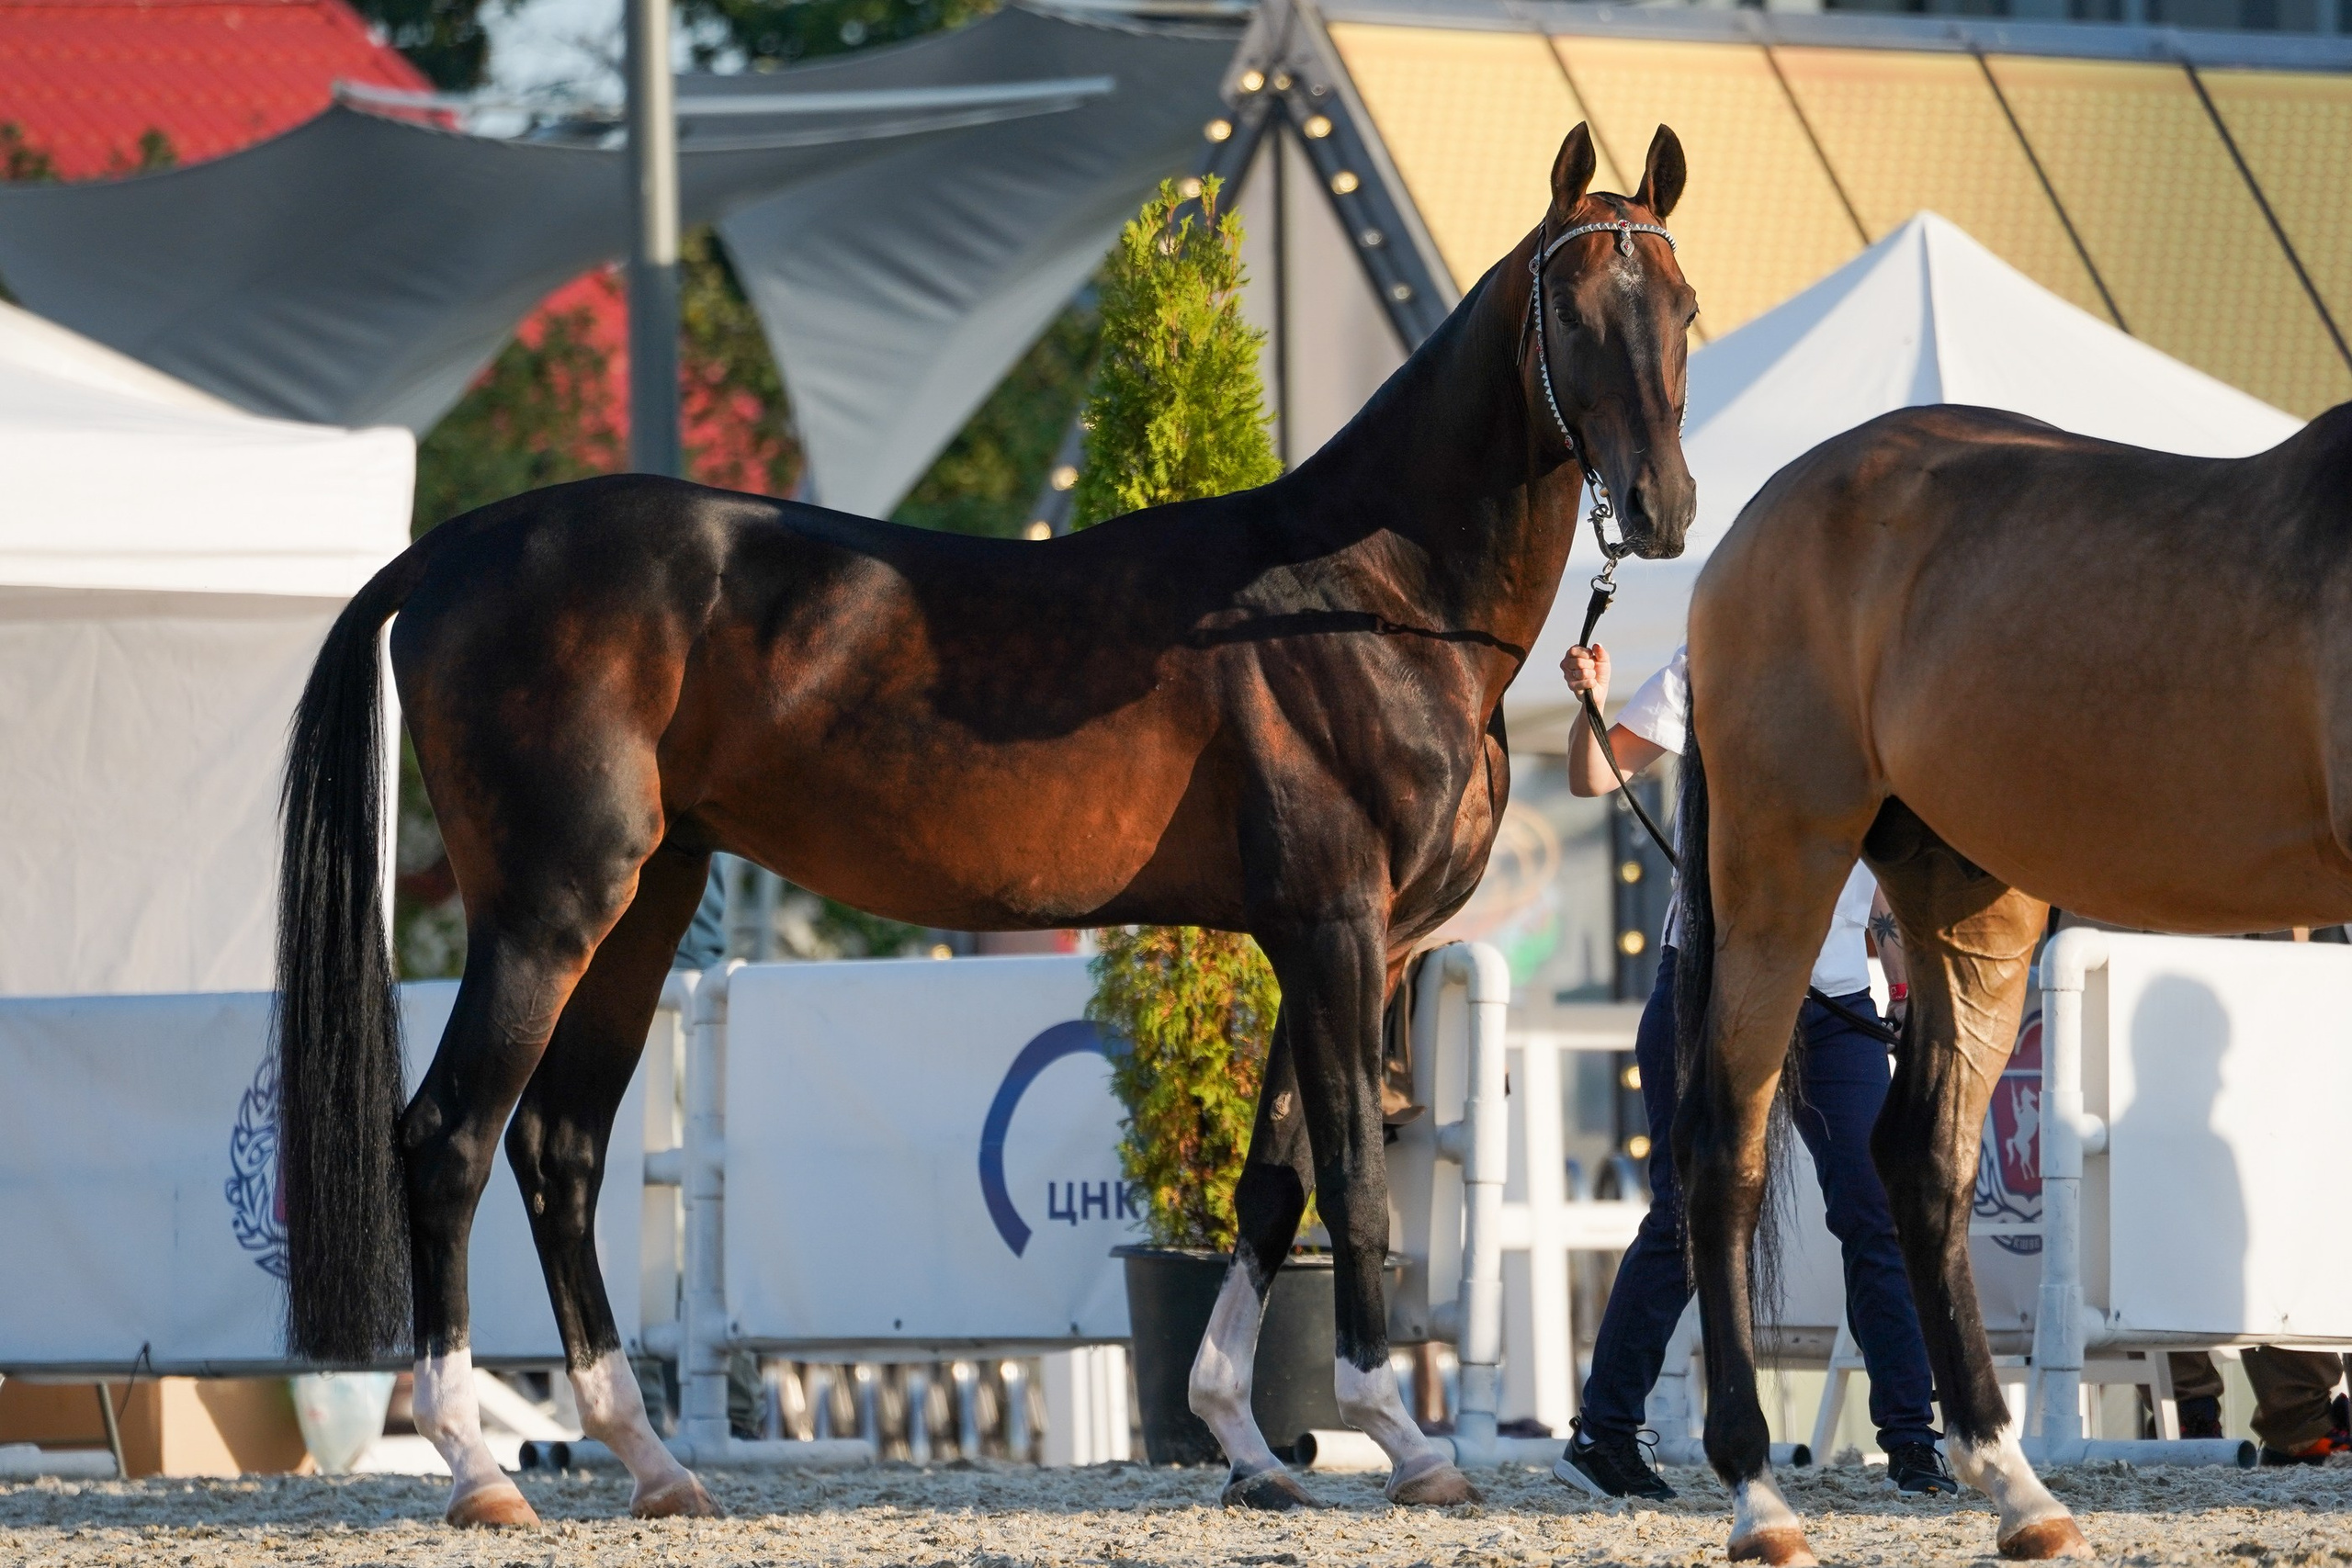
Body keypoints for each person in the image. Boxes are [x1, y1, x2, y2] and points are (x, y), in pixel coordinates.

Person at [1551, 641, 1956, 1500]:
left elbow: (1883, 866)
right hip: (1711, 983)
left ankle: (1914, 1442)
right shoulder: (1715, 656)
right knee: (1687, 1213)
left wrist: (1899, 960)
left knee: (1876, 1205)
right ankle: (1605, 1432)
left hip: (1833, 990)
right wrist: (1594, 698)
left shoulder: (1875, 669)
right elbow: (1593, 773)